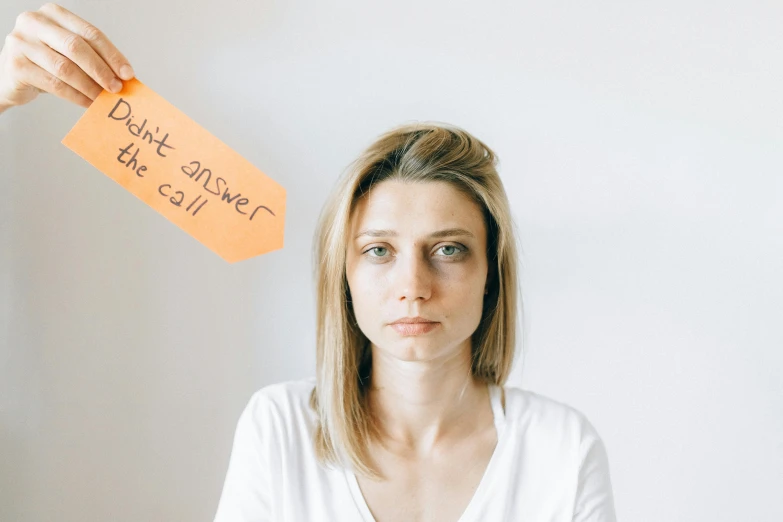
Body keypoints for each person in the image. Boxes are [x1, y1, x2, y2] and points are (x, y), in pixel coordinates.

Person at [1, 4, 617, 521]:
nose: (413, 287)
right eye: (379, 251)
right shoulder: (279, 429)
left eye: (448, 250)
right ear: (342, 277)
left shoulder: (560, 451)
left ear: (493, 273)